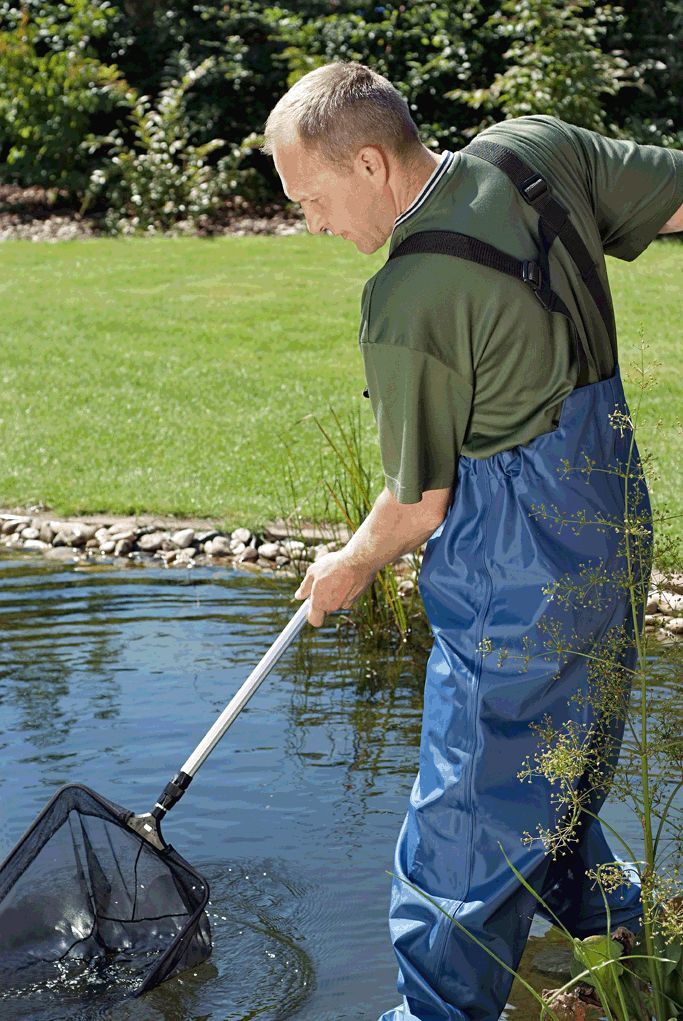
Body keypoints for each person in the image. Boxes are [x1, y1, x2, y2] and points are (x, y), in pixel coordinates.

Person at [260, 61, 683, 1021]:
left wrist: (348, 563)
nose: (313, 224)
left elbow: (419, 507)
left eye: (312, 199)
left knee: (461, 819)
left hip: (516, 562)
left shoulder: (406, 299)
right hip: (609, 518)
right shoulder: (533, 152)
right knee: (561, 762)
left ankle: (437, 1015)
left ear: (367, 163)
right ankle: (626, 952)